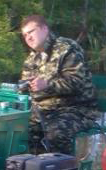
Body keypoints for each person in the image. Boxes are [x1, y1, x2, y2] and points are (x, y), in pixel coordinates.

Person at [18, 14, 98, 156]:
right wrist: (23, 89)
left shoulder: (67, 48)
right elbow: (26, 88)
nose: (28, 38)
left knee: (55, 133)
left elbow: (77, 83)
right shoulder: (31, 59)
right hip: (44, 111)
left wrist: (47, 85)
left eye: (31, 32)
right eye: (24, 35)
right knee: (17, 130)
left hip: (76, 110)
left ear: (44, 29)